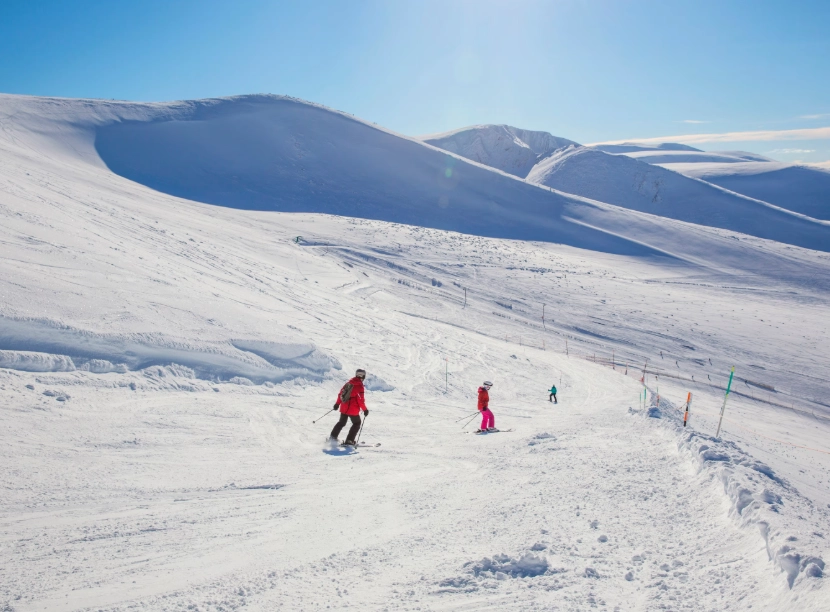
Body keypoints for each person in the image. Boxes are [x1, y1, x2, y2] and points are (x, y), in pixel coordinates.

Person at [330, 369, 369, 446]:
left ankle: (332, 438)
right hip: (353, 410)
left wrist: (337, 404)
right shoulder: (359, 386)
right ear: (362, 376)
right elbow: (360, 400)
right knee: (357, 423)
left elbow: (341, 394)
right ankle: (349, 440)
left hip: (344, 407)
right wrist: (365, 410)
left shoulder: (348, 383)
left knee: (341, 423)